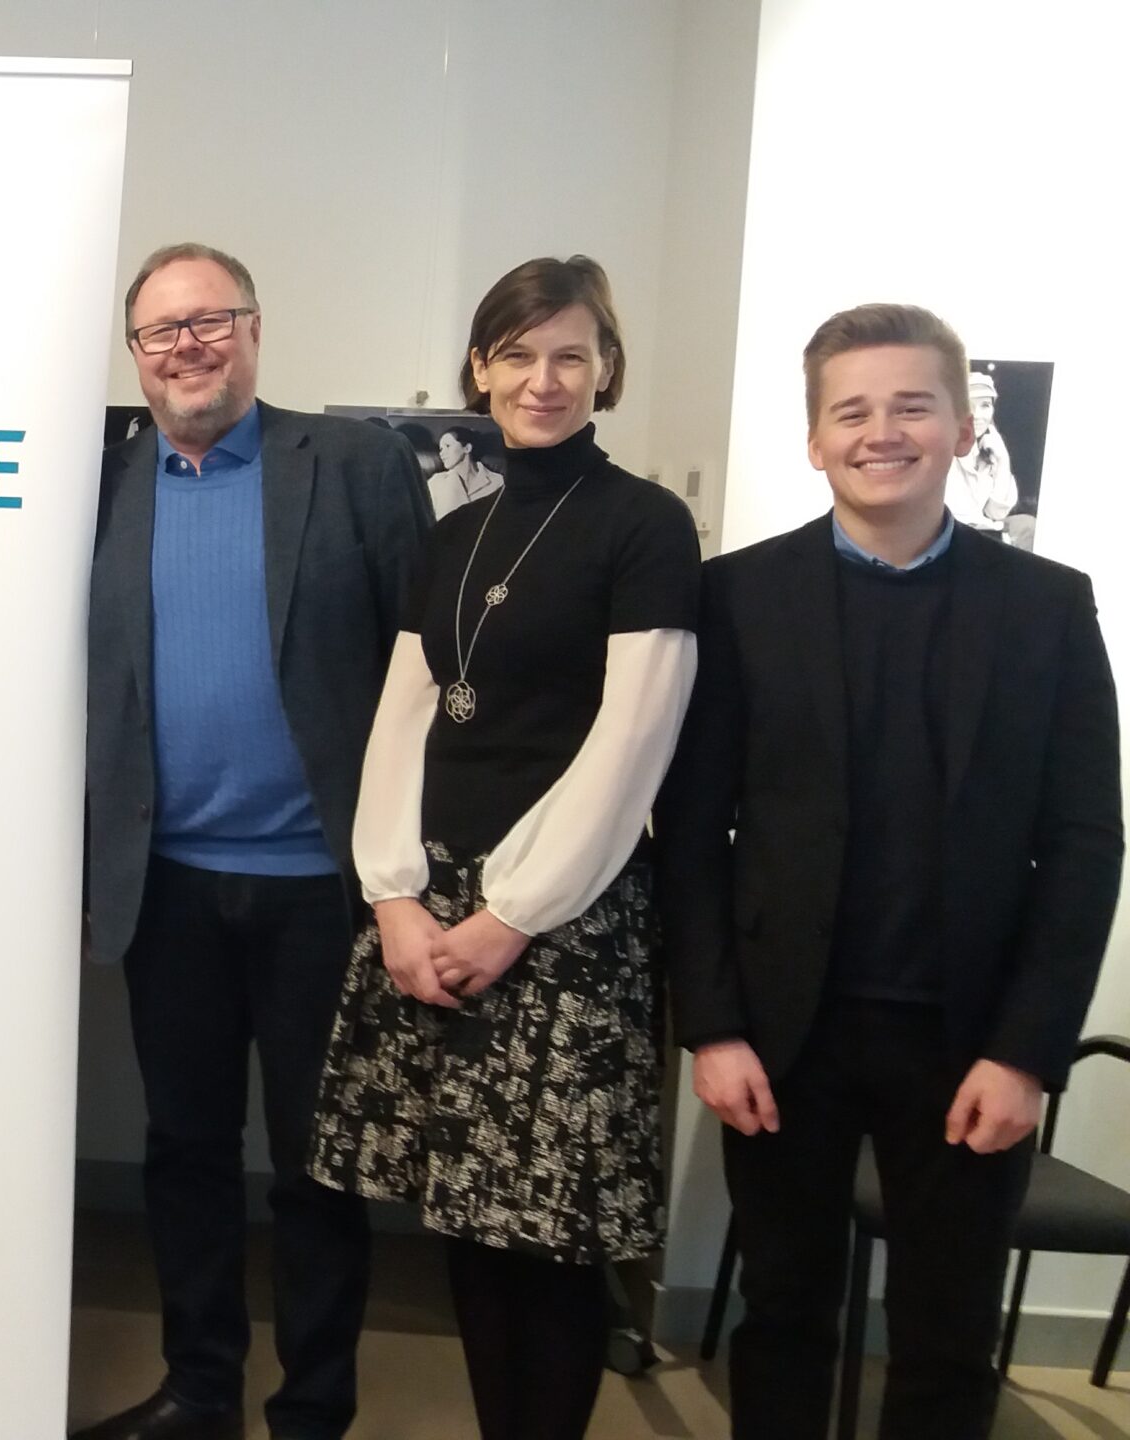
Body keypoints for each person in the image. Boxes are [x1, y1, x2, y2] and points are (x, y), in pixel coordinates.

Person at [656, 303, 1122, 1439]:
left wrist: (1028, 1051)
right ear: (815, 439)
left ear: (962, 427)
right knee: (783, 1316)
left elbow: (1082, 843)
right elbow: (691, 833)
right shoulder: (737, 597)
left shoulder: (1047, 607)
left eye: (912, 406)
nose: (882, 432)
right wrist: (711, 1029)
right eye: (851, 411)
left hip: (970, 1042)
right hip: (783, 1035)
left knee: (946, 1338)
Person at [308, 255, 700, 1440]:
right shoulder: (456, 534)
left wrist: (511, 914)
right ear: (479, 367)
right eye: (518, 354)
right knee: (466, 1220)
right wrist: (392, 897)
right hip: (433, 909)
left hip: (563, 920)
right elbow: (404, 718)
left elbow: (631, 745)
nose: (543, 379)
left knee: (548, 1236)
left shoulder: (645, 525)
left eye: (571, 355)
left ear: (607, 369)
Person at [78, 242, 429, 1440]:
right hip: (165, 886)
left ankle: (312, 1411)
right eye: (159, 331)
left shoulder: (356, 468)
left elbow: (427, 672)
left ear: (254, 329)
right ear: (136, 354)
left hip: (321, 891)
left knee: (319, 1166)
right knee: (183, 1150)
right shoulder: (101, 486)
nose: (185, 347)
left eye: (208, 320)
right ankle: (200, 1392)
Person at [944, 368, 1017, 539]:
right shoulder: (941, 451)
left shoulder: (988, 453)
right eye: (969, 406)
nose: (977, 415)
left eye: (985, 405)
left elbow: (996, 512)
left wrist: (1003, 460)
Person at [428, 427, 504, 518]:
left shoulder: (497, 482)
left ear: (467, 448)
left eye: (447, 446)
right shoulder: (436, 482)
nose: (441, 453)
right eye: (441, 449)